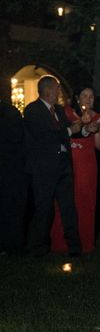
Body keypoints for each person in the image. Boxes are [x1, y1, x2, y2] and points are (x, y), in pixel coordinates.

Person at [23, 76, 89, 256]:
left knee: (68, 207)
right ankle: (39, 248)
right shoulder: (32, 110)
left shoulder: (59, 110)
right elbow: (46, 135)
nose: (59, 92)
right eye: (57, 89)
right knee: (44, 208)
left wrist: (85, 129)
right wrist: (69, 130)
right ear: (47, 90)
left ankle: (75, 248)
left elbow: (71, 131)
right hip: (43, 168)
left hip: (63, 166)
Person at [49, 86, 100, 253]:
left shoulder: (98, 117)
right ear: (77, 98)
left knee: (84, 201)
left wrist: (95, 129)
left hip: (87, 165)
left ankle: (84, 242)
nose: (88, 99)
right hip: (66, 162)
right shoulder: (65, 112)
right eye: (84, 95)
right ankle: (60, 243)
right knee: (64, 202)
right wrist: (82, 122)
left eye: (91, 96)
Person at [0, 99, 27, 254]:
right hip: (12, 169)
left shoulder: (8, 113)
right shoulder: (10, 113)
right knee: (12, 209)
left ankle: (11, 244)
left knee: (10, 208)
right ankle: (12, 244)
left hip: (11, 169)